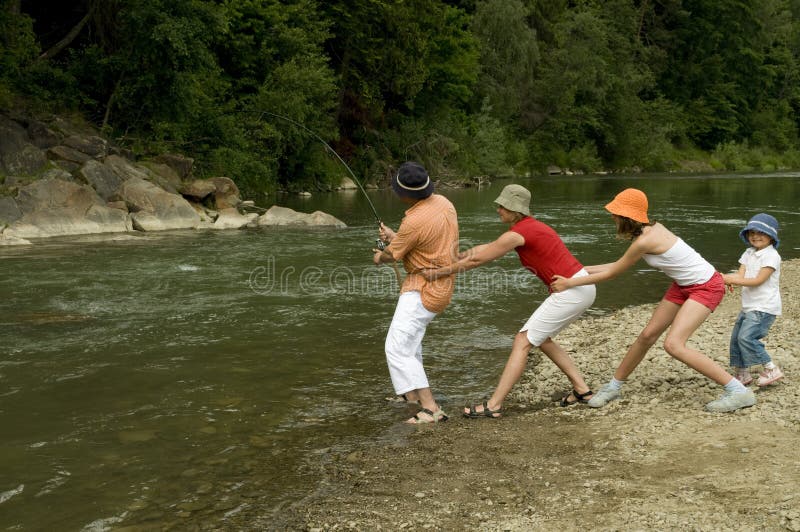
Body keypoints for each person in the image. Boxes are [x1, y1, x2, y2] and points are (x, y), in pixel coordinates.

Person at [550, 188, 756, 413]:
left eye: (616, 213)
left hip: (707, 287)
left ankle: (738, 391)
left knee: (674, 345)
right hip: (685, 284)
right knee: (647, 335)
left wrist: (570, 283)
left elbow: (613, 273)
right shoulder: (648, 230)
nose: (612, 217)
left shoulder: (645, 241)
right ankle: (613, 387)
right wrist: (578, 271)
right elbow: (617, 265)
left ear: (627, 216)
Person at [422, 184, 597, 418]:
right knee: (542, 339)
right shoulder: (526, 228)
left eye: (503, 206)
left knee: (522, 340)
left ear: (516, 210)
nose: (498, 209)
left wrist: (439, 273)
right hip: (580, 287)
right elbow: (489, 248)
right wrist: (458, 255)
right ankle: (582, 390)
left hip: (572, 291)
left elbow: (479, 261)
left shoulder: (519, 233)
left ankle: (493, 405)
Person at [373, 161, 459, 424]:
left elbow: (391, 255)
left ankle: (431, 408)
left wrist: (381, 256)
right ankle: (411, 397)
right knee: (410, 344)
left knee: (397, 348)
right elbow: (422, 240)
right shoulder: (444, 203)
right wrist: (395, 236)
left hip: (423, 288)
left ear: (404, 193)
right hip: (442, 285)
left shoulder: (414, 220)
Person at [722, 213, 783, 387]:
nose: (755, 236)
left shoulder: (772, 256)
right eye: (751, 232)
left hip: (764, 306)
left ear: (771, 236)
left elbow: (758, 280)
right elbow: (741, 275)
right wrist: (726, 278)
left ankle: (771, 368)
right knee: (736, 339)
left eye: (761, 232)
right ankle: (743, 373)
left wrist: (732, 280)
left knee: (747, 338)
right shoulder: (749, 252)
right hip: (749, 305)